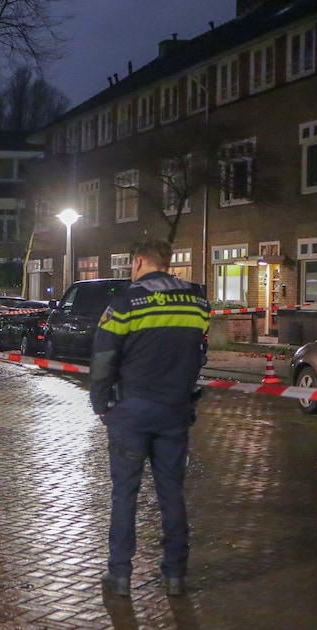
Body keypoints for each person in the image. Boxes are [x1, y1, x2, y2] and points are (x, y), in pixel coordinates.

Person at [89, 237, 210, 598]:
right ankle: (175, 574)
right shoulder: (197, 301)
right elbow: (199, 353)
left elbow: (104, 357)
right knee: (171, 492)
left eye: (131, 264)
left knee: (125, 493)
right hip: (174, 410)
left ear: (140, 261)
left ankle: (121, 576)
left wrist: (100, 401)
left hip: (131, 411)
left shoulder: (126, 301)